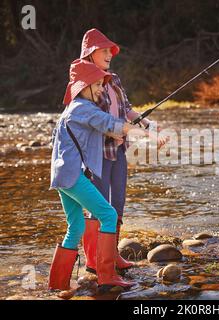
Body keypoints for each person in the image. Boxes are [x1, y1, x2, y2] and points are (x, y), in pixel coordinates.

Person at [48, 59, 165, 291]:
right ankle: (107, 275)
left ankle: (57, 284)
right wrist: (148, 133)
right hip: (72, 176)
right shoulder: (84, 108)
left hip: (61, 175)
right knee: (109, 215)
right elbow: (113, 123)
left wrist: (119, 132)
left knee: (75, 226)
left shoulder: (72, 108)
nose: (102, 88)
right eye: (98, 84)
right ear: (85, 86)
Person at [79, 28, 156, 274]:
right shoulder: (84, 82)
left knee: (118, 204)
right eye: (103, 50)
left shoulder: (114, 77)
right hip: (97, 153)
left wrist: (145, 123)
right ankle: (94, 261)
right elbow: (87, 117)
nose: (109, 54)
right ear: (90, 54)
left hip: (119, 149)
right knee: (98, 206)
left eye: (110, 50)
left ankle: (112, 255)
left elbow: (126, 109)